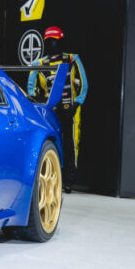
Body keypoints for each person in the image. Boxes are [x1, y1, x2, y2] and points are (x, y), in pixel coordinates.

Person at [27, 26, 88, 193]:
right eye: (49, 41)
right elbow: (31, 89)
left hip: (71, 111)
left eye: (55, 41)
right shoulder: (39, 64)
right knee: (51, 144)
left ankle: (69, 180)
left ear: (61, 41)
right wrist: (41, 105)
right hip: (49, 112)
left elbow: (84, 85)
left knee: (71, 144)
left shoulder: (72, 59)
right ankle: (52, 180)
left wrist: (76, 105)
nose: (52, 44)